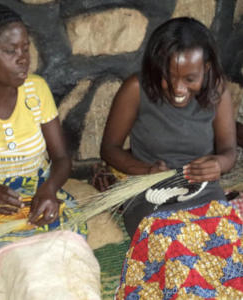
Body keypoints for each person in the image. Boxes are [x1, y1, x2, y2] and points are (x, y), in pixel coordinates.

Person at [101, 17, 243, 299]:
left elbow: (229, 150)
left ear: (207, 68)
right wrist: (145, 169)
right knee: (177, 248)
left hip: (204, 191)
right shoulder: (136, 88)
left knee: (227, 246)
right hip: (150, 195)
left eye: (190, 79)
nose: (178, 88)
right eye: (168, 76)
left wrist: (219, 164)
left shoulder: (218, 92)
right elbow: (110, 148)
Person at [0, 2, 86, 281]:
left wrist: (49, 189)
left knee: (64, 251)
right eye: (10, 51)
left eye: (25, 48)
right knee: (3, 262)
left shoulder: (37, 91)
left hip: (38, 189)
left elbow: (60, 159)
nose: (23, 59)